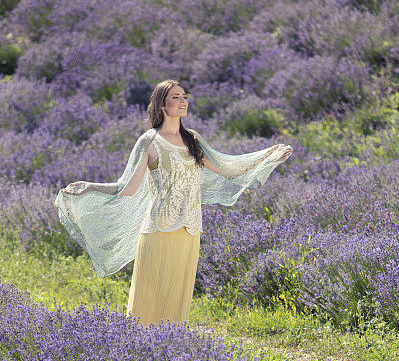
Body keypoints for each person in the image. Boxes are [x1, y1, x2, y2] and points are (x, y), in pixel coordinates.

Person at [54, 79, 292, 326]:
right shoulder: (148, 141)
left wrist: (267, 157)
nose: (183, 101)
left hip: (189, 230)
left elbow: (227, 169)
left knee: (177, 298)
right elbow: (127, 188)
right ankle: (137, 350)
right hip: (158, 230)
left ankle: (168, 350)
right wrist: (89, 186)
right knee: (149, 299)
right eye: (175, 97)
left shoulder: (193, 139)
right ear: (162, 106)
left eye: (184, 96)